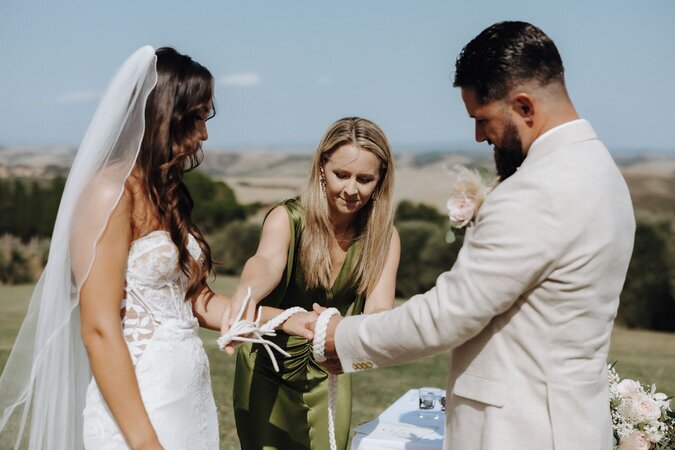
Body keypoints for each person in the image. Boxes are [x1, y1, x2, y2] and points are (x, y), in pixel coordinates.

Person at [312, 21, 636, 450]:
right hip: (575, 422)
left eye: (483, 120)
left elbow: (449, 314)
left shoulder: (537, 191)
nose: (478, 136)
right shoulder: (602, 171)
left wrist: (342, 336)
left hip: (520, 430)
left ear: (524, 106)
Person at [0, 46, 230, 449]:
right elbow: (99, 329)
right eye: (196, 117)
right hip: (138, 416)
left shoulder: (166, 194)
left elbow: (194, 300)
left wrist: (292, 322)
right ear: (163, 114)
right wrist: (145, 444)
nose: (205, 133)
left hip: (188, 405)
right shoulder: (110, 192)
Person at [221, 117, 400, 450]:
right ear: (321, 167)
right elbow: (266, 263)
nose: (351, 189)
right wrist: (247, 293)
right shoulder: (287, 218)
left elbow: (379, 314)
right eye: (341, 175)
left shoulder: (385, 240)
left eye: (364, 179)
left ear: (380, 181)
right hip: (267, 371)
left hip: (330, 373)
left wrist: (354, 354)